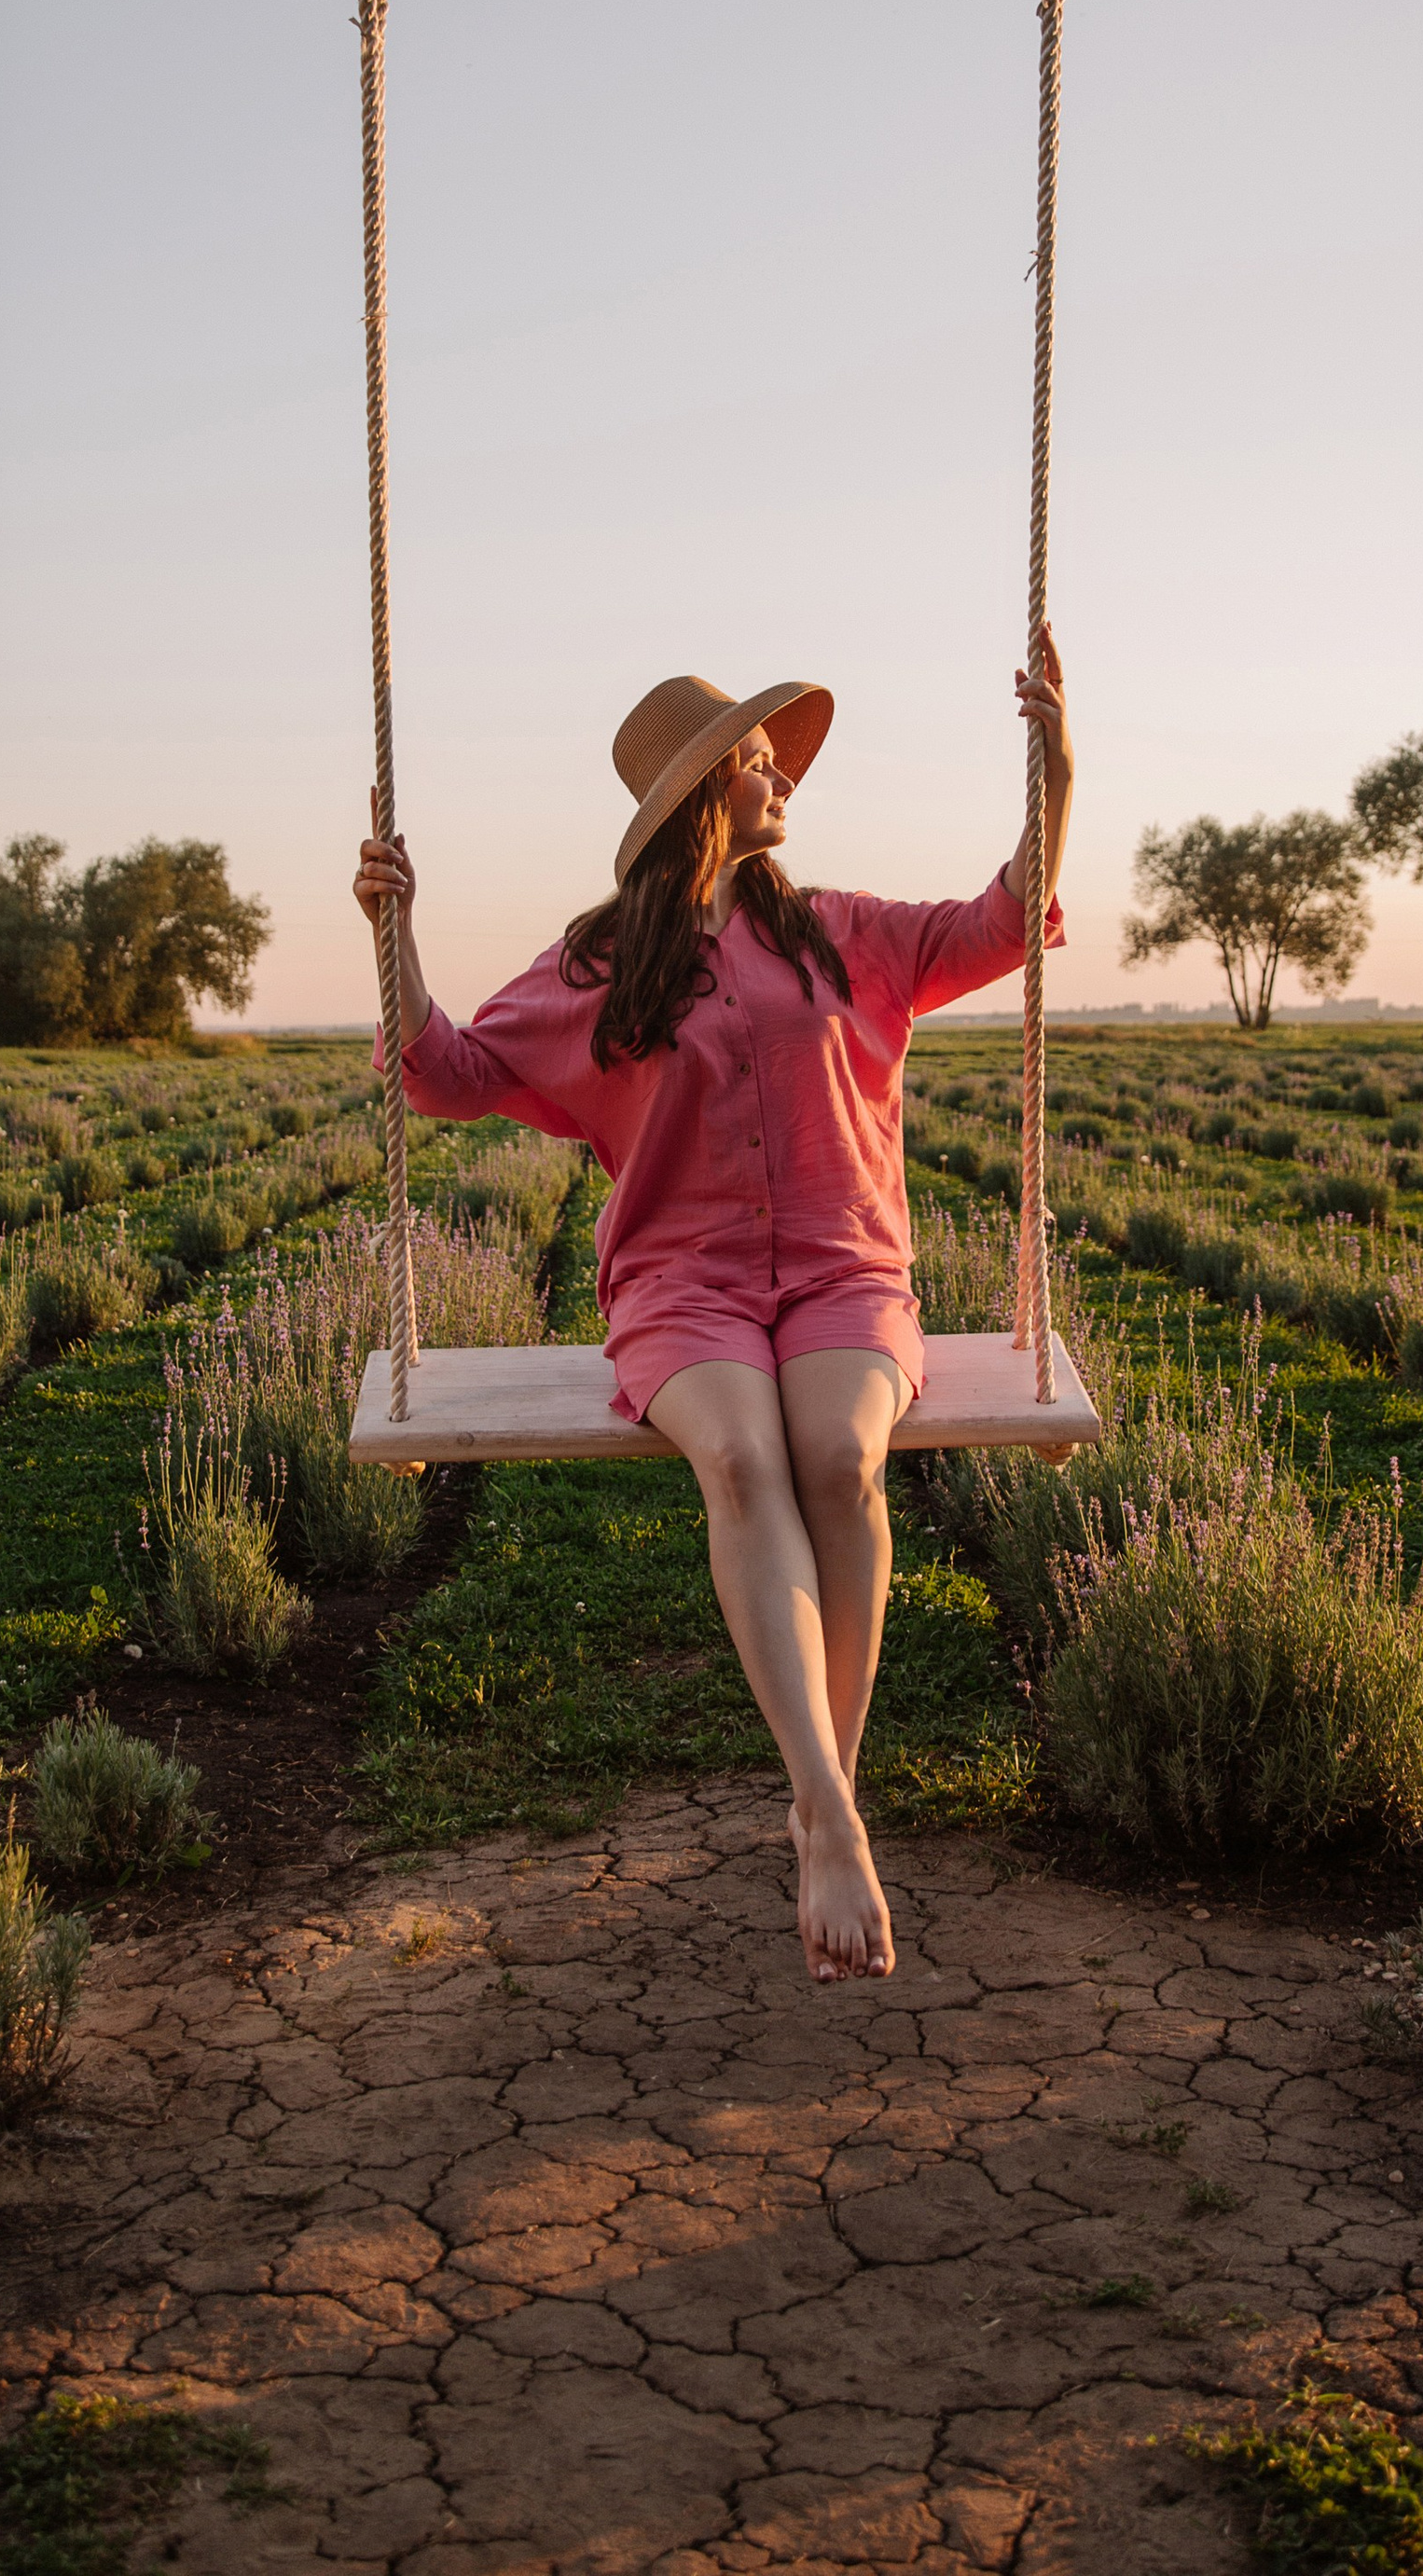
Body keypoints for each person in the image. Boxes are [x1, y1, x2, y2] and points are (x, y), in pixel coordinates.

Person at [352, 631, 1071, 1985]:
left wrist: (1057, 771)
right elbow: (440, 1070)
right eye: (753, 759)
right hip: (683, 1287)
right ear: (700, 799)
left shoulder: (846, 933)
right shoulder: (601, 968)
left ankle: (820, 1801)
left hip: (846, 1267)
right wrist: (395, 934)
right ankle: (835, 1816)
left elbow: (1004, 918)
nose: (776, 773)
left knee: (842, 1459)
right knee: (742, 1460)